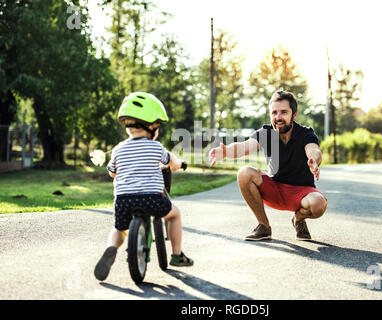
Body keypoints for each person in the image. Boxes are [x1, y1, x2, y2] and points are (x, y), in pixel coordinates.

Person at [94, 92, 193, 282]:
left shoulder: (118, 149)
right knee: (175, 214)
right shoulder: (156, 147)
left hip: (123, 201)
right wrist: (181, 164)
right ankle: (177, 255)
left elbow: (112, 173)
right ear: (152, 126)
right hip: (151, 198)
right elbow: (172, 163)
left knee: (120, 229)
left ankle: (111, 248)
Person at [208, 90, 327, 241]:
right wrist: (226, 152)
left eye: (284, 112)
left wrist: (314, 160)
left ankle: (298, 219)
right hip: (275, 190)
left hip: (301, 193)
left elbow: (314, 150)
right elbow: (245, 146)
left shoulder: (305, 133)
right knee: (244, 173)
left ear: (294, 115)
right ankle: (263, 226)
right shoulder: (266, 133)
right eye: (274, 112)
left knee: (318, 205)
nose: (278, 117)